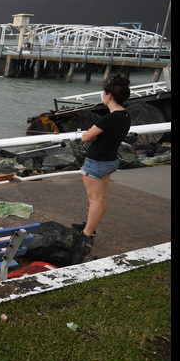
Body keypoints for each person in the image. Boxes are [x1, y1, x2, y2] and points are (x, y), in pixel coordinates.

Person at [75, 74, 131, 240]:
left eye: (104, 93)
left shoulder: (109, 118)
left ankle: (87, 234)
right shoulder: (126, 116)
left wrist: (92, 133)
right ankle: (90, 227)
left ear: (109, 95)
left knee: (96, 200)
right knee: (101, 198)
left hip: (97, 161)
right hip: (110, 159)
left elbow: (85, 137)